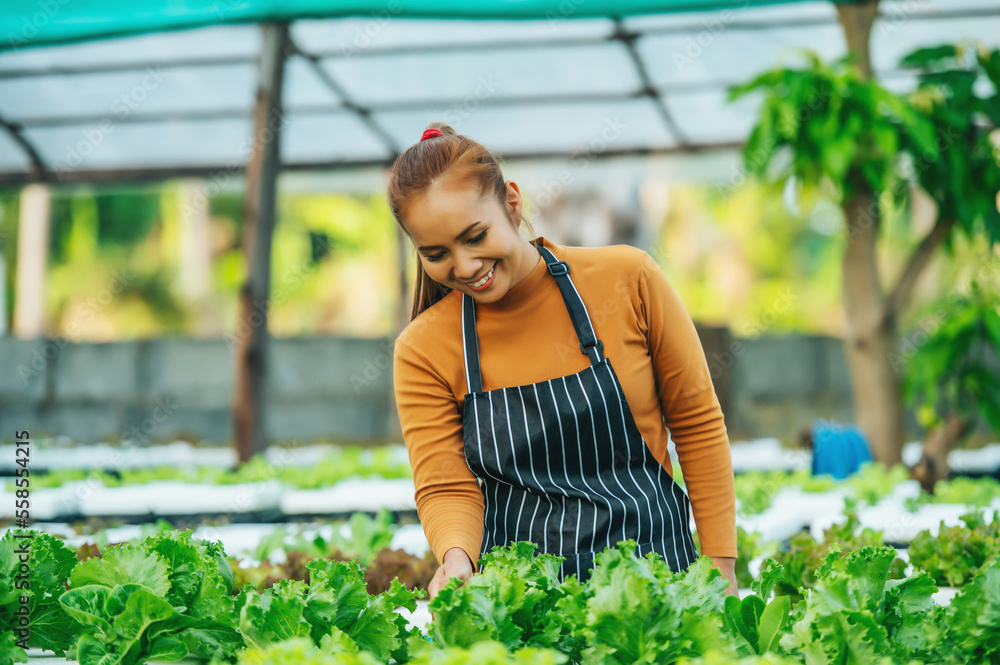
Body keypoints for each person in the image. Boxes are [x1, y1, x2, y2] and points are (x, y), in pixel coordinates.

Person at [388, 123, 737, 599]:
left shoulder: (627, 278)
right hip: (528, 606)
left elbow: (696, 423)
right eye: (436, 254)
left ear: (512, 202)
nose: (465, 266)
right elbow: (445, 486)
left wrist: (720, 564)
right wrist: (455, 557)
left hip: (658, 588)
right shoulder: (423, 349)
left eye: (475, 236)